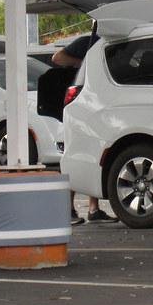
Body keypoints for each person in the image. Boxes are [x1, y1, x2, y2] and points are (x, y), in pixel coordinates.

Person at [52, 34, 117, 225]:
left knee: (92, 155)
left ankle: (93, 208)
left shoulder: (111, 45)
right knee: (76, 153)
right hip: (80, 102)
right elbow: (57, 58)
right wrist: (84, 62)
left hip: (97, 105)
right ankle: (67, 210)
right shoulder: (88, 42)